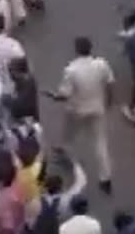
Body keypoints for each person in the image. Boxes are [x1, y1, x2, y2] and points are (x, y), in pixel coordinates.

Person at [49, 36, 115, 193]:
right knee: (100, 142)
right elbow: (110, 83)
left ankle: (66, 155)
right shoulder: (101, 64)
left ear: (77, 49)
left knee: (69, 135)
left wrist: (54, 96)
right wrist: (109, 101)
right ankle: (105, 178)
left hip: (77, 110)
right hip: (97, 107)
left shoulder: (71, 70)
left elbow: (64, 94)